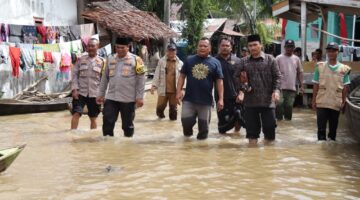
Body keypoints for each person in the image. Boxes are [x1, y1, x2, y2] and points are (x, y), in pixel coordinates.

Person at [235, 34, 281, 145]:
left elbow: (277, 77)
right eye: (250, 46)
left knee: (270, 132)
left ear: (261, 45)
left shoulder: (271, 60)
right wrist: (242, 89)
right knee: (252, 134)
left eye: (255, 45)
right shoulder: (243, 61)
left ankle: (268, 158)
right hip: (250, 103)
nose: (253, 48)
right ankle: (252, 158)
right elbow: (236, 77)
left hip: (268, 102)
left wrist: (276, 91)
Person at [176, 37, 224, 140]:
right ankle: (188, 147)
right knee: (186, 124)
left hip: (205, 102)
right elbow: (182, 76)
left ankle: (201, 151)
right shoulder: (189, 60)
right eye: (200, 46)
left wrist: (221, 99)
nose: (202, 48)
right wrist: (178, 91)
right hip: (189, 100)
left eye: (205, 46)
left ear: (210, 48)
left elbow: (219, 82)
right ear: (197, 47)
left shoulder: (215, 62)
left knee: (203, 130)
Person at [96, 37, 146, 137]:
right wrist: (100, 94)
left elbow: (141, 80)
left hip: (128, 99)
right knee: (107, 122)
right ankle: (108, 145)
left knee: (127, 126)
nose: (119, 50)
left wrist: (140, 97)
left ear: (128, 47)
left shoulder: (136, 60)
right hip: (111, 97)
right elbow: (104, 78)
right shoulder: (109, 59)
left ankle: (128, 146)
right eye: (117, 47)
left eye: (122, 48)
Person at [312, 42, 351, 141]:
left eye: (333, 51)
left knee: (333, 132)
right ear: (327, 52)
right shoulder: (319, 67)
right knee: (321, 130)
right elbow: (316, 85)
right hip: (322, 101)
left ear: (337, 52)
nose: (331, 53)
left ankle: (330, 148)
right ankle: (322, 150)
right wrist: (313, 101)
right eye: (329, 51)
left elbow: (345, 87)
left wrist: (343, 101)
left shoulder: (344, 69)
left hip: (335, 102)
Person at [71, 38, 105, 130]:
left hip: (95, 93)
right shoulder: (81, 59)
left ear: (97, 47)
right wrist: (74, 89)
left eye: (92, 46)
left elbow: (105, 80)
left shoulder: (102, 62)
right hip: (80, 92)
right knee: (76, 113)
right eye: (88, 46)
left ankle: (92, 138)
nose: (90, 48)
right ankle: (72, 135)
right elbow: (74, 75)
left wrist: (103, 95)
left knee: (93, 117)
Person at [215, 37, 245, 134]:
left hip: (236, 97)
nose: (225, 47)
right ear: (219, 47)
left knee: (238, 117)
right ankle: (223, 144)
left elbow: (244, 79)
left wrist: (241, 93)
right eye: (223, 45)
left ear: (231, 48)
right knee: (222, 126)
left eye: (227, 46)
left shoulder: (238, 61)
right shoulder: (214, 61)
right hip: (221, 98)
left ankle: (236, 135)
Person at [151, 43, 183, 120]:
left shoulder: (181, 63)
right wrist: (153, 85)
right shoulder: (161, 61)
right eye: (169, 50)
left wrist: (182, 90)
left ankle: (172, 127)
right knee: (159, 109)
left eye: (173, 50)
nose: (171, 52)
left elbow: (183, 78)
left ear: (176, 51)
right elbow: (157, 74)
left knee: (173, 111)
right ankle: (159, 124)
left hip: (174, 91)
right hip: (163, 89)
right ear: (167, 51)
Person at [275, 39, 304, 121]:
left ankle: (287, 123)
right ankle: (279, 122)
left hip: (291, 88)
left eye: (291, 47)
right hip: (279, 87)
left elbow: (300, 72)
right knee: (279, 104)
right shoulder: (278, 58)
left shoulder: (296, 59)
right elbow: (274, 72)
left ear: (294, 48)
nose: (289, 48)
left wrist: (302, 86)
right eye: (288, 47)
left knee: (289, 106)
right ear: (284, 47)